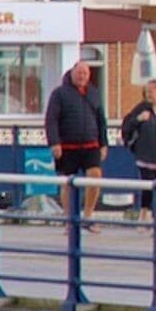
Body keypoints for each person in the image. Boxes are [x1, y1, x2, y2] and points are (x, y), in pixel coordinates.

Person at [45, 56, 110, 217]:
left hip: (91, 144)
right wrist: (54, 142)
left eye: (85, 73)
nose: (82, 76)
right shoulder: (59, 93)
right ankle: (69, 219)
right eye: (79, 72)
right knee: (67, 183)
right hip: (67, 146)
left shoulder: (93, 93)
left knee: (95, 175)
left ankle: (88, 214)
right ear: (72, 72)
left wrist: (103, 143)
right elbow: (51, 119)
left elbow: (101, 119)